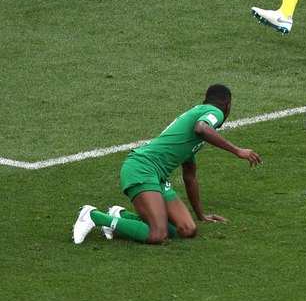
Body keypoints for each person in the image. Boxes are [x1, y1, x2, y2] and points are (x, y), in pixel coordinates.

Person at [72, 84, 262, 245]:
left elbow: (190, 177)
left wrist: (201, 215)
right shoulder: (213, 112)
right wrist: (238, 151)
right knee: (158, 234)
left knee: (187, 230)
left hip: (157, 177)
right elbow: (202, 128)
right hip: (142, 168)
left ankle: (119, 215)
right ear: (227, 105)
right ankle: (93, 215)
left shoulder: (192, 132)